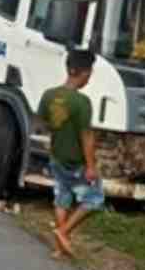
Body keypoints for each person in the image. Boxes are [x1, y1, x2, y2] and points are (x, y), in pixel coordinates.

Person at [37, 48, 105, 258]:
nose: (89, 77)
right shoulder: (82, 102)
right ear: (84, 73)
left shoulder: (49, 95)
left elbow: (43, 123)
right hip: (76, 162)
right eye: (90, 72)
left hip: (57, 157)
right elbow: (86, 136)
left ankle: (59, 249)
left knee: (62, 198)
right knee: (94, 200)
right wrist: (91, 165)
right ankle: (63, 231)